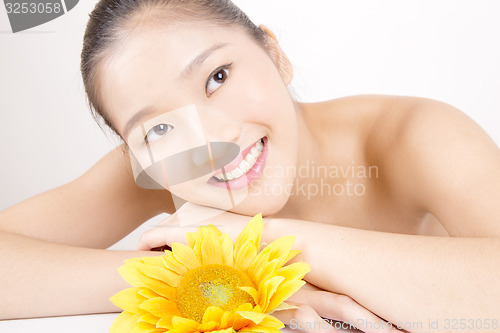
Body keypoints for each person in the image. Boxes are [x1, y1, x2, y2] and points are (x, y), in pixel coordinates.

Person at [1, 0, 499, 332]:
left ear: (275, 53)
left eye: (217, 77)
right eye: (159, 129)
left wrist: (271, 245)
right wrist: (199, 278)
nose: (210, 142)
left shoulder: (411, 136)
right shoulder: (162, 170)